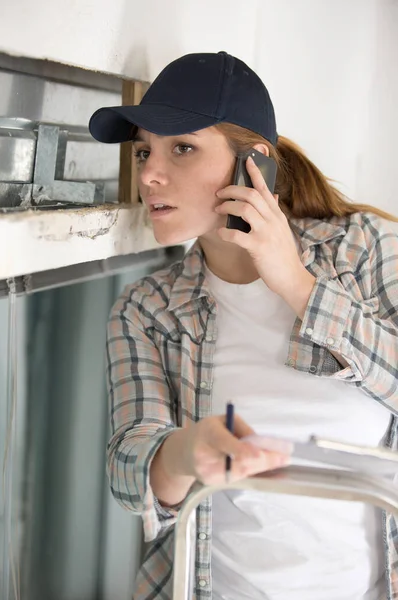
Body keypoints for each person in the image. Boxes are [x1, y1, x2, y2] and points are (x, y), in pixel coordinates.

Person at [89, 51, 398, 600]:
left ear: (252, 163)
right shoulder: (147, 309)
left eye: (181, 147)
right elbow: (126, 473)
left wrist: (295, 283)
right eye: (143, 151)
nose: (149, 175)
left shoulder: (366, 249)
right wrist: (186, 451)